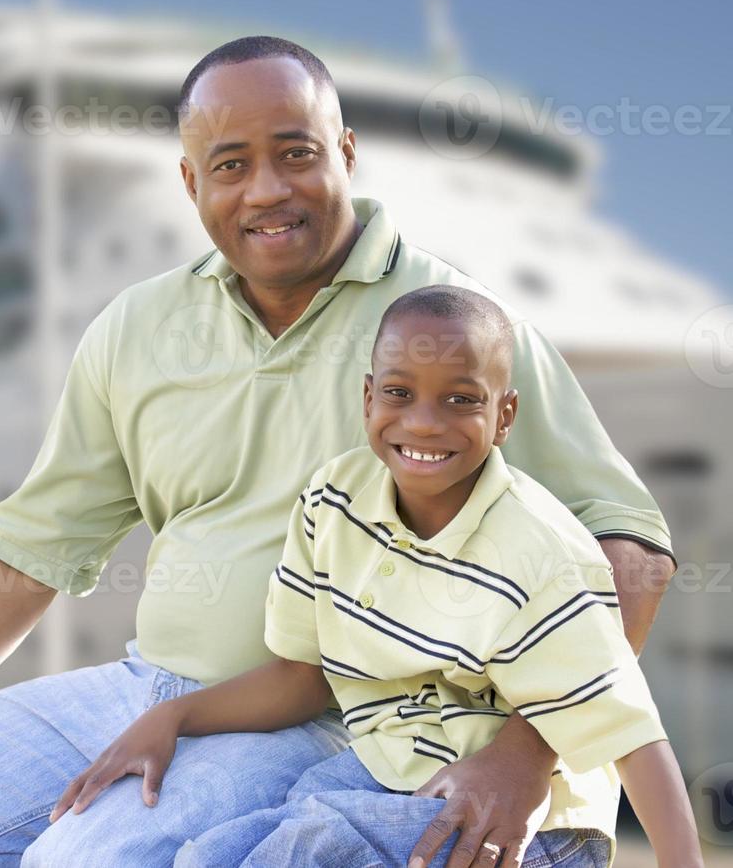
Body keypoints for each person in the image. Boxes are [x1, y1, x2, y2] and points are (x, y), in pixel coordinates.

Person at [0, 37, 677, 868]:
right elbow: (21, 562)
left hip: (335, 714)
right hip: (145, 686)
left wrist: (524, 751)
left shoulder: (453, 326)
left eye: (297, 154)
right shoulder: (137, 325)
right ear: (191, 185)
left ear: (345, 156)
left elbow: (629, 550)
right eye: (231, 164)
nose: (267, 189)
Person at [48, 285, 702, 868]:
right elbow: (300, 677)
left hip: (527, 829)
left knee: (291, 851)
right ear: (368, 398)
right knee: (209, 854)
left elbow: (635, 737)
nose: (423, 421)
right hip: (383, 770)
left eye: (460, 399)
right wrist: (173, 716)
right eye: (399, 393)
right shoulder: (332, 501)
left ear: (504, 416)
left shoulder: (541, 551)